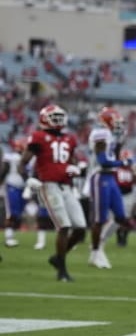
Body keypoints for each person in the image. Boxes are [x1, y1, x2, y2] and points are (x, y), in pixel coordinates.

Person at [18, 104, 87, 282]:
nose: (58, 120)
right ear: (44, 119)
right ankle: (62, 271)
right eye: (53, 117)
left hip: (66, 187)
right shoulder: (39, 137)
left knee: (80, 229)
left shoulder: (69, 138)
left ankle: (57, 258)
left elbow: (70, 162)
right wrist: (28, 179)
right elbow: (22, 163)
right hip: (49, 186)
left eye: (59, 117)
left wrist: (77, 171)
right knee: (63, 227)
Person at [86, 107, 134, 269]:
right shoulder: (100, 133)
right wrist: (124, 163)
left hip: (110, 177)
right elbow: (104, 161)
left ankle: (99, 245)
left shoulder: (110, 135)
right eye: (116, 121)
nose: (119, 125)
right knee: (99, 219)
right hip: (100, 177)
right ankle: (95, 253)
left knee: (121, 217)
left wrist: (120, 144)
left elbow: (114, 155)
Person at [99, 148, 136, 248]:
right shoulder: (117, 167)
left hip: (128, 194)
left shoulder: (133, 167)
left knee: (125, 218)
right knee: (115, 217)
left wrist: (135, 172)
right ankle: (115, 237)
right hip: (117, 193)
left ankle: (124, 237)